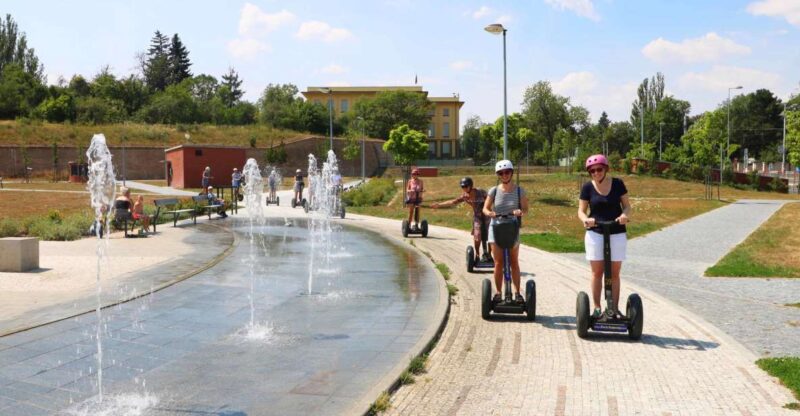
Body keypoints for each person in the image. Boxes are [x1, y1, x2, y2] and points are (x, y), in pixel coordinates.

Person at [577, 154, 631, 319]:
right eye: (592, 171)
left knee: (615, 273)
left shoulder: (618, 184)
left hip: (617, 231)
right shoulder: (587, 187)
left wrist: (624, 215)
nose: (596, 173)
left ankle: (614, 309)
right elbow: (581, 211)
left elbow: (627, 206)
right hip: (595, 232)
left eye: (599, 169)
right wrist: (586, 220)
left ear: (606, 169)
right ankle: (597, 308)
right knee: (597, 272)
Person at [482, 160, 529, 303]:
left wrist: (520, 211)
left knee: (514, 261)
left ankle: (517, 293)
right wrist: (490, 213)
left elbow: (525, 209)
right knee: (498, 263)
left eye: (507, 172)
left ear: (511, 173)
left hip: (512, 227)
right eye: (501, 173)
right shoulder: (494, 190)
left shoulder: (520, 191)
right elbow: (485, 208)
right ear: (498, 175)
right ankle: (498, 293)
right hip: (496, 227)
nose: (504, 175)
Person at [432, 177, 491, 263]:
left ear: (471, 186)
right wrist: (439, 205)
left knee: (490, 236)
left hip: (487, 215)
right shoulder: (465, 196)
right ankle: (477, 255)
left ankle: (489, 255)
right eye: (462, 187)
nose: (464, 188)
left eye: (466, 186)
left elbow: (490, 199)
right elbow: (453, 202)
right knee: (477, 236)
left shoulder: (480, 192)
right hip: (477, 216)